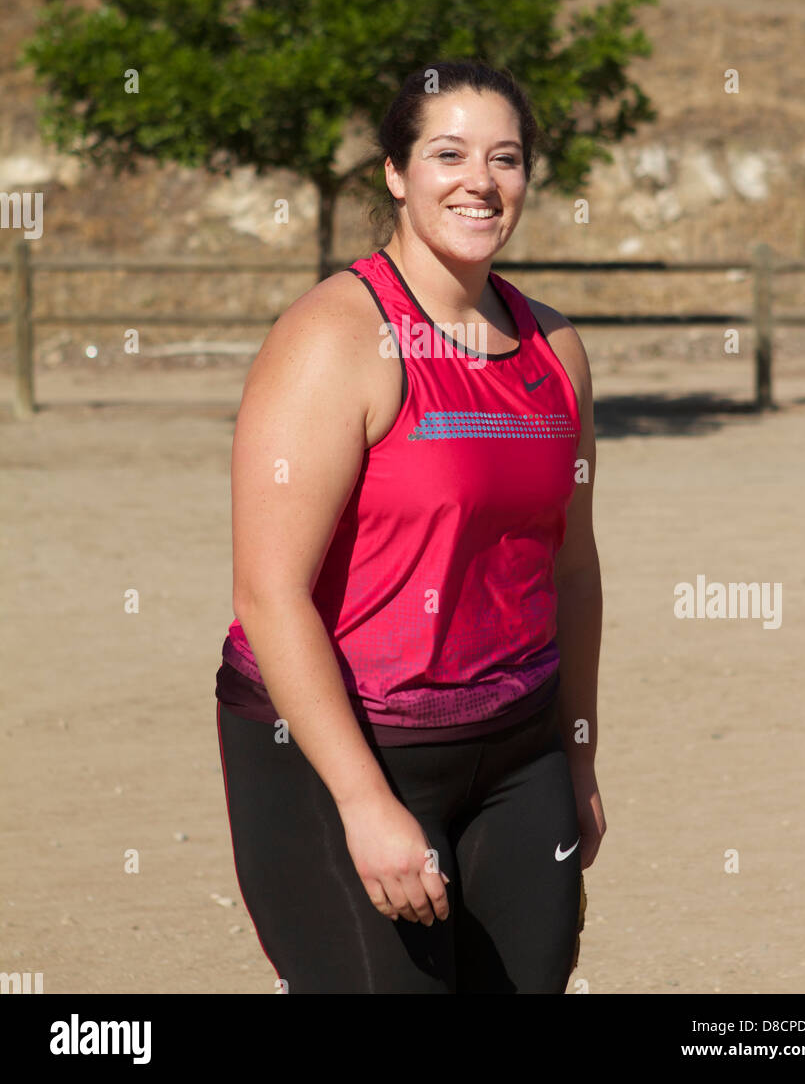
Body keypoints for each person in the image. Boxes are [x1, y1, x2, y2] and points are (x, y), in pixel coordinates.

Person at [215, 59, 605, 994]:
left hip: (520, 752)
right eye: (449, 153)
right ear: (396, 173)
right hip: (346, 751)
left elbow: (574, 568)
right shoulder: (335, 337)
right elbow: (270, 595)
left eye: (506, 158)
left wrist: (578, 756)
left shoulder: (556, 347)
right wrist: (364, 803)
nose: (481, 180)